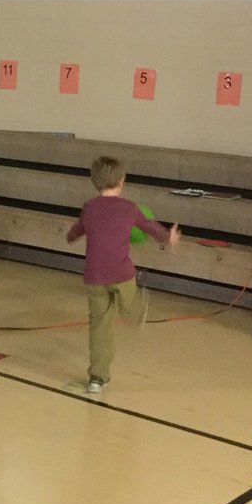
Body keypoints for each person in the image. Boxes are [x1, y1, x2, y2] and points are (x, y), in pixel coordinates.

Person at [66, 156, 180, 393]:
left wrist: (70, 236)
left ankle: (97, 378)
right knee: (128, 300)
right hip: (121, 274)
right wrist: (169, 237)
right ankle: (135, 309)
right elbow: (150, 227)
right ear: (121, 181)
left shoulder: (89, 208)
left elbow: (77, 230)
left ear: (94, 182)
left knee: (99, 327)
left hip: (94, 277)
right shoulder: (129, 208)